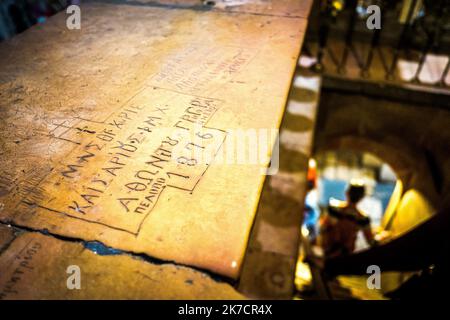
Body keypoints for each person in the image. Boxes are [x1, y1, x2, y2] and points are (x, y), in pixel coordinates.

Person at [319, 181, 376, 259]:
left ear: (347, 193)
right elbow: (371, 242)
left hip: (327, 255)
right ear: (362, 197)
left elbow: (322, 228)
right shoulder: (362, 219)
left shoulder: (333, 209)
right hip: (346, 258)